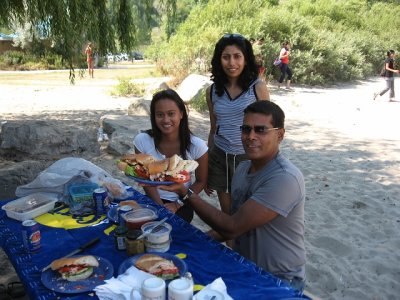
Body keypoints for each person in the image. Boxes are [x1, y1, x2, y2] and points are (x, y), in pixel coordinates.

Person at [161, 101, 306, 291]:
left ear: (280, 135)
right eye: (246, 129)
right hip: (245, 267)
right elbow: (233, 223)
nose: (251, 137)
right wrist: (198, 241)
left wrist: (185, 193)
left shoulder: (284, 178)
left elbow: (232, 227)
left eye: (260, 130)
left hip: (279, 280)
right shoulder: (243, 168)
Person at [206, 33, 270, 220]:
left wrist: (269, 165)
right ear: (219, 60)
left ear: (245, 59)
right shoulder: (212, 91)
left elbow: (268, 128)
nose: (231, 62)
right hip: (220, 158)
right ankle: (233, 250)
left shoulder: (257, 87)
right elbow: (213, 128)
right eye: (226, 57)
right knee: (229, 216)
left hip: (250, 159)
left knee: (249, 216)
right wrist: (207, 165)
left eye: (237, 56)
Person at [133, 89, 208, 223]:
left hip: (183, 202)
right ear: (154, 117)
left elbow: (201, 181)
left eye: (171, 114)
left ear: (181, 114)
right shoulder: (142, 141)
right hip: (152, 199)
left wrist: (177, 204)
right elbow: (145, 179)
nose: (166, 120)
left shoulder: (197, 146)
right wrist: (160, 207)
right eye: (160, 115)